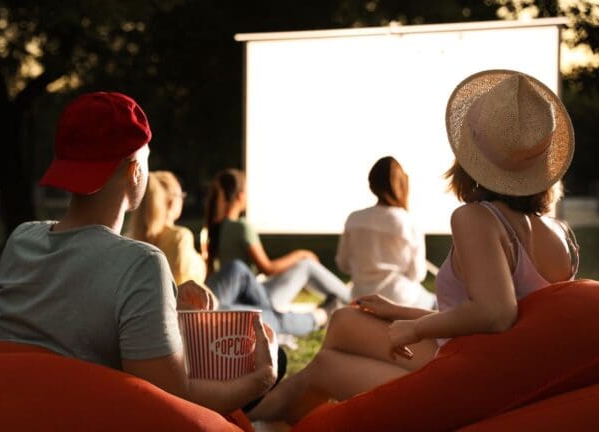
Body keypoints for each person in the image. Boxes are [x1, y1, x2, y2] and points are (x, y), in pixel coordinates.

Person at [247, 70, 580, 423]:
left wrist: (415, 328)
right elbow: (505, 324)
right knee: (343, 321)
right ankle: (291, 420)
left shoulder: (477, 218)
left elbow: (497, 314)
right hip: (504, 372)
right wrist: (403, 312)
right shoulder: (559, 232)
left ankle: (248, 419)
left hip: (475, 383)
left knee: (327, 363)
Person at [0, 92, 276, 415]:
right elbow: (174, 402)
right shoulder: (142, 264)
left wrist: (162, 303)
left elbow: (73, 310)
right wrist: (261, 380)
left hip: (21, 415)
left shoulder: (20, 241)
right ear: (135, 171)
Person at [128, 171, 324, 336]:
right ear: (172, 203)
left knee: (236, 268)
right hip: (192, 316)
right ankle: (320, 316)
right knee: (266, 316)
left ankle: (273, 310)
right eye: (182, 196)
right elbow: (183, 286)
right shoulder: (179, 237)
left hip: (177, 310)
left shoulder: (132, 240)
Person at [204, 168, 351, 312]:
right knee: (306, 265)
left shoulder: (218, 227)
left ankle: (340, 299)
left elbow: (210, 272)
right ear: (241, 196)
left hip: (238, 296)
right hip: (255, 298)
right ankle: (352, 298)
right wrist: (300, 254)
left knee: (304, 266)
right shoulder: (242, 227)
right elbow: (267, 268)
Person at [335, 156, 436, 309]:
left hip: (360, 296)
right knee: (437, 301)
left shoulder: (354, 218)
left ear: (372, 184)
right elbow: (417, 274)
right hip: (401, 298)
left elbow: (343, 264)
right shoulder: (407, 221)